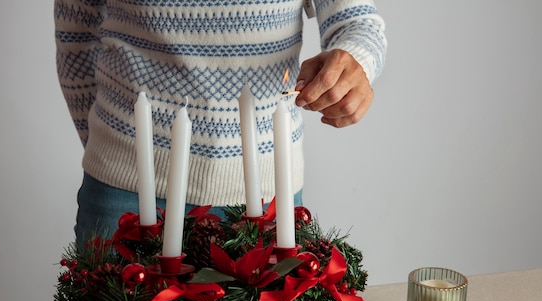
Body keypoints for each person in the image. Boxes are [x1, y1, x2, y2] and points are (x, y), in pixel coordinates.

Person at [54, 0, 387, 248]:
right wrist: (118, 151)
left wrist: (354, 62)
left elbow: (358, 24)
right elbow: (75, 37)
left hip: (271, 200)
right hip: (125, 192)